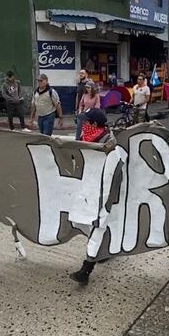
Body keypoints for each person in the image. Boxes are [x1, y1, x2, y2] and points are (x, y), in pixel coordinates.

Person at [67, 108, 116, 286]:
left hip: (104, 191)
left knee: (99, 225)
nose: (84, 124)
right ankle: (104, 251)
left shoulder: (108, 142)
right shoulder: (87, 138)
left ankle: (86, 269)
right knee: (93, 225)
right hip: (89, 189)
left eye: (86, 121)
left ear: (94, 124)